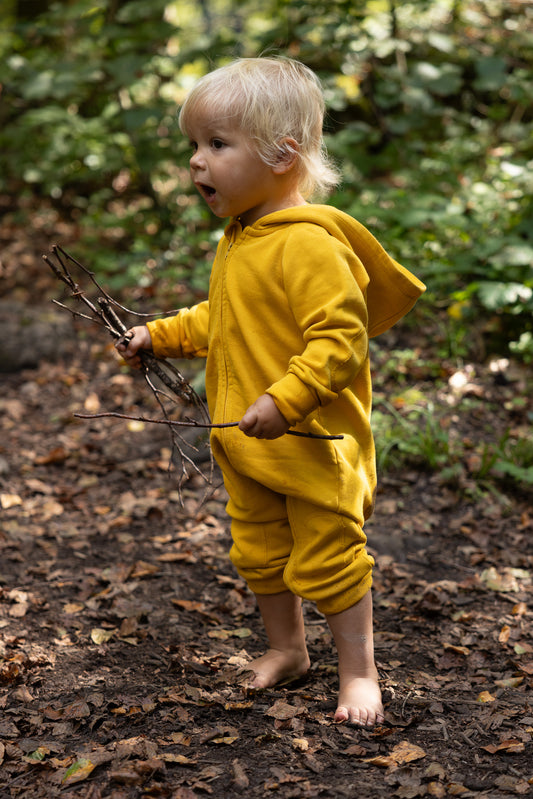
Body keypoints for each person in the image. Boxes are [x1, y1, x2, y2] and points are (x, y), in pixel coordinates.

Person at [117, 56, 426, 727]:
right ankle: (288, 649)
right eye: (193, 144)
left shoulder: (309, 246)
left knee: (330, 556)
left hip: (310, 443)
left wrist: (285, 400)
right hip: (245, 440)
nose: (196, 161)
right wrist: (159, 336)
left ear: (282, 155)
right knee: (259, 550)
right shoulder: (242, 238)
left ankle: (359, 674)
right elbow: (224, 318)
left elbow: (339, 341)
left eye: (216, 144)